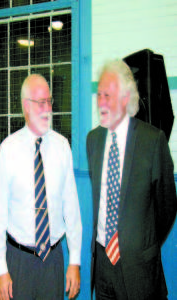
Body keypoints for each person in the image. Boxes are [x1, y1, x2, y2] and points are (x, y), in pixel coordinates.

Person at [86, 60, 177, 300]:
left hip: (140, 270)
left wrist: (140, 241)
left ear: (126, 98)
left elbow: (166, 207)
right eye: (99, 94)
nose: (101, 101)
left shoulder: (152, 141)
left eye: (108, 94)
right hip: (103, 265)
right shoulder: (93, 141)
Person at [0, 74, 82, 300]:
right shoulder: (8, 149)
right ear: (25, 106)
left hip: (53, 259)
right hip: (18, 260)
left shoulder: (62, 147)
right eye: (40, 102)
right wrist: (1, 270)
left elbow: (71, 208)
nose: (47, 108)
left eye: (49, 101)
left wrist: (75, 261)